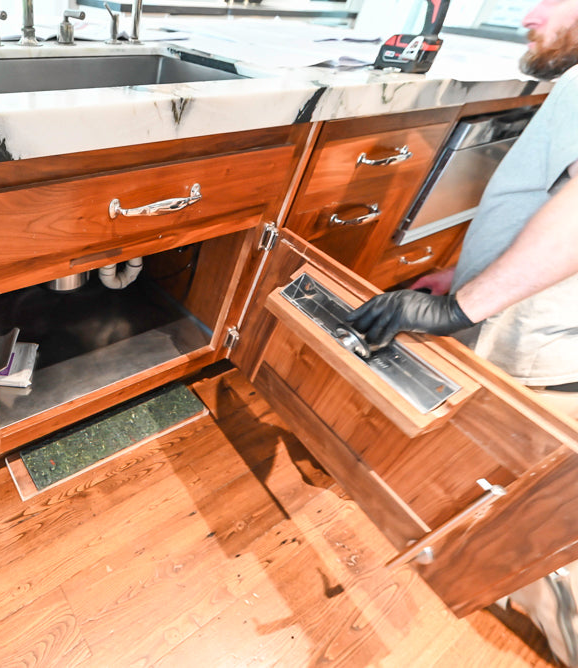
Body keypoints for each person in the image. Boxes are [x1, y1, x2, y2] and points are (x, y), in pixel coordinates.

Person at [346, 1, 578, 663]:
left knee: (537, 541)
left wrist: (461, 309)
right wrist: (465, 276)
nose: (529, 11)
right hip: (548, 327)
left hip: (542, 351)